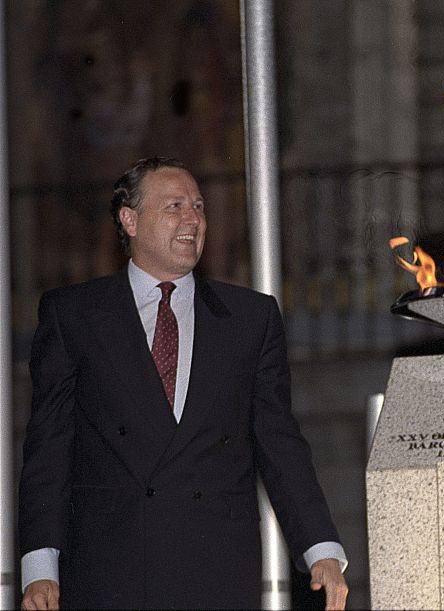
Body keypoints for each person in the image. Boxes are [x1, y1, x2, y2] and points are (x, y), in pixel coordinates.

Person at [18, 157, 349, 610]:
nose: (192, 219)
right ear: (130, 220)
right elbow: (49, 449)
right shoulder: (74, 315)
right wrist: (39, 568)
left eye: (198, 206)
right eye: (174, 206)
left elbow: (280, 443)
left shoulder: (250, 319)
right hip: (111, 568)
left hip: (216, 568)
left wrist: (321, 550)